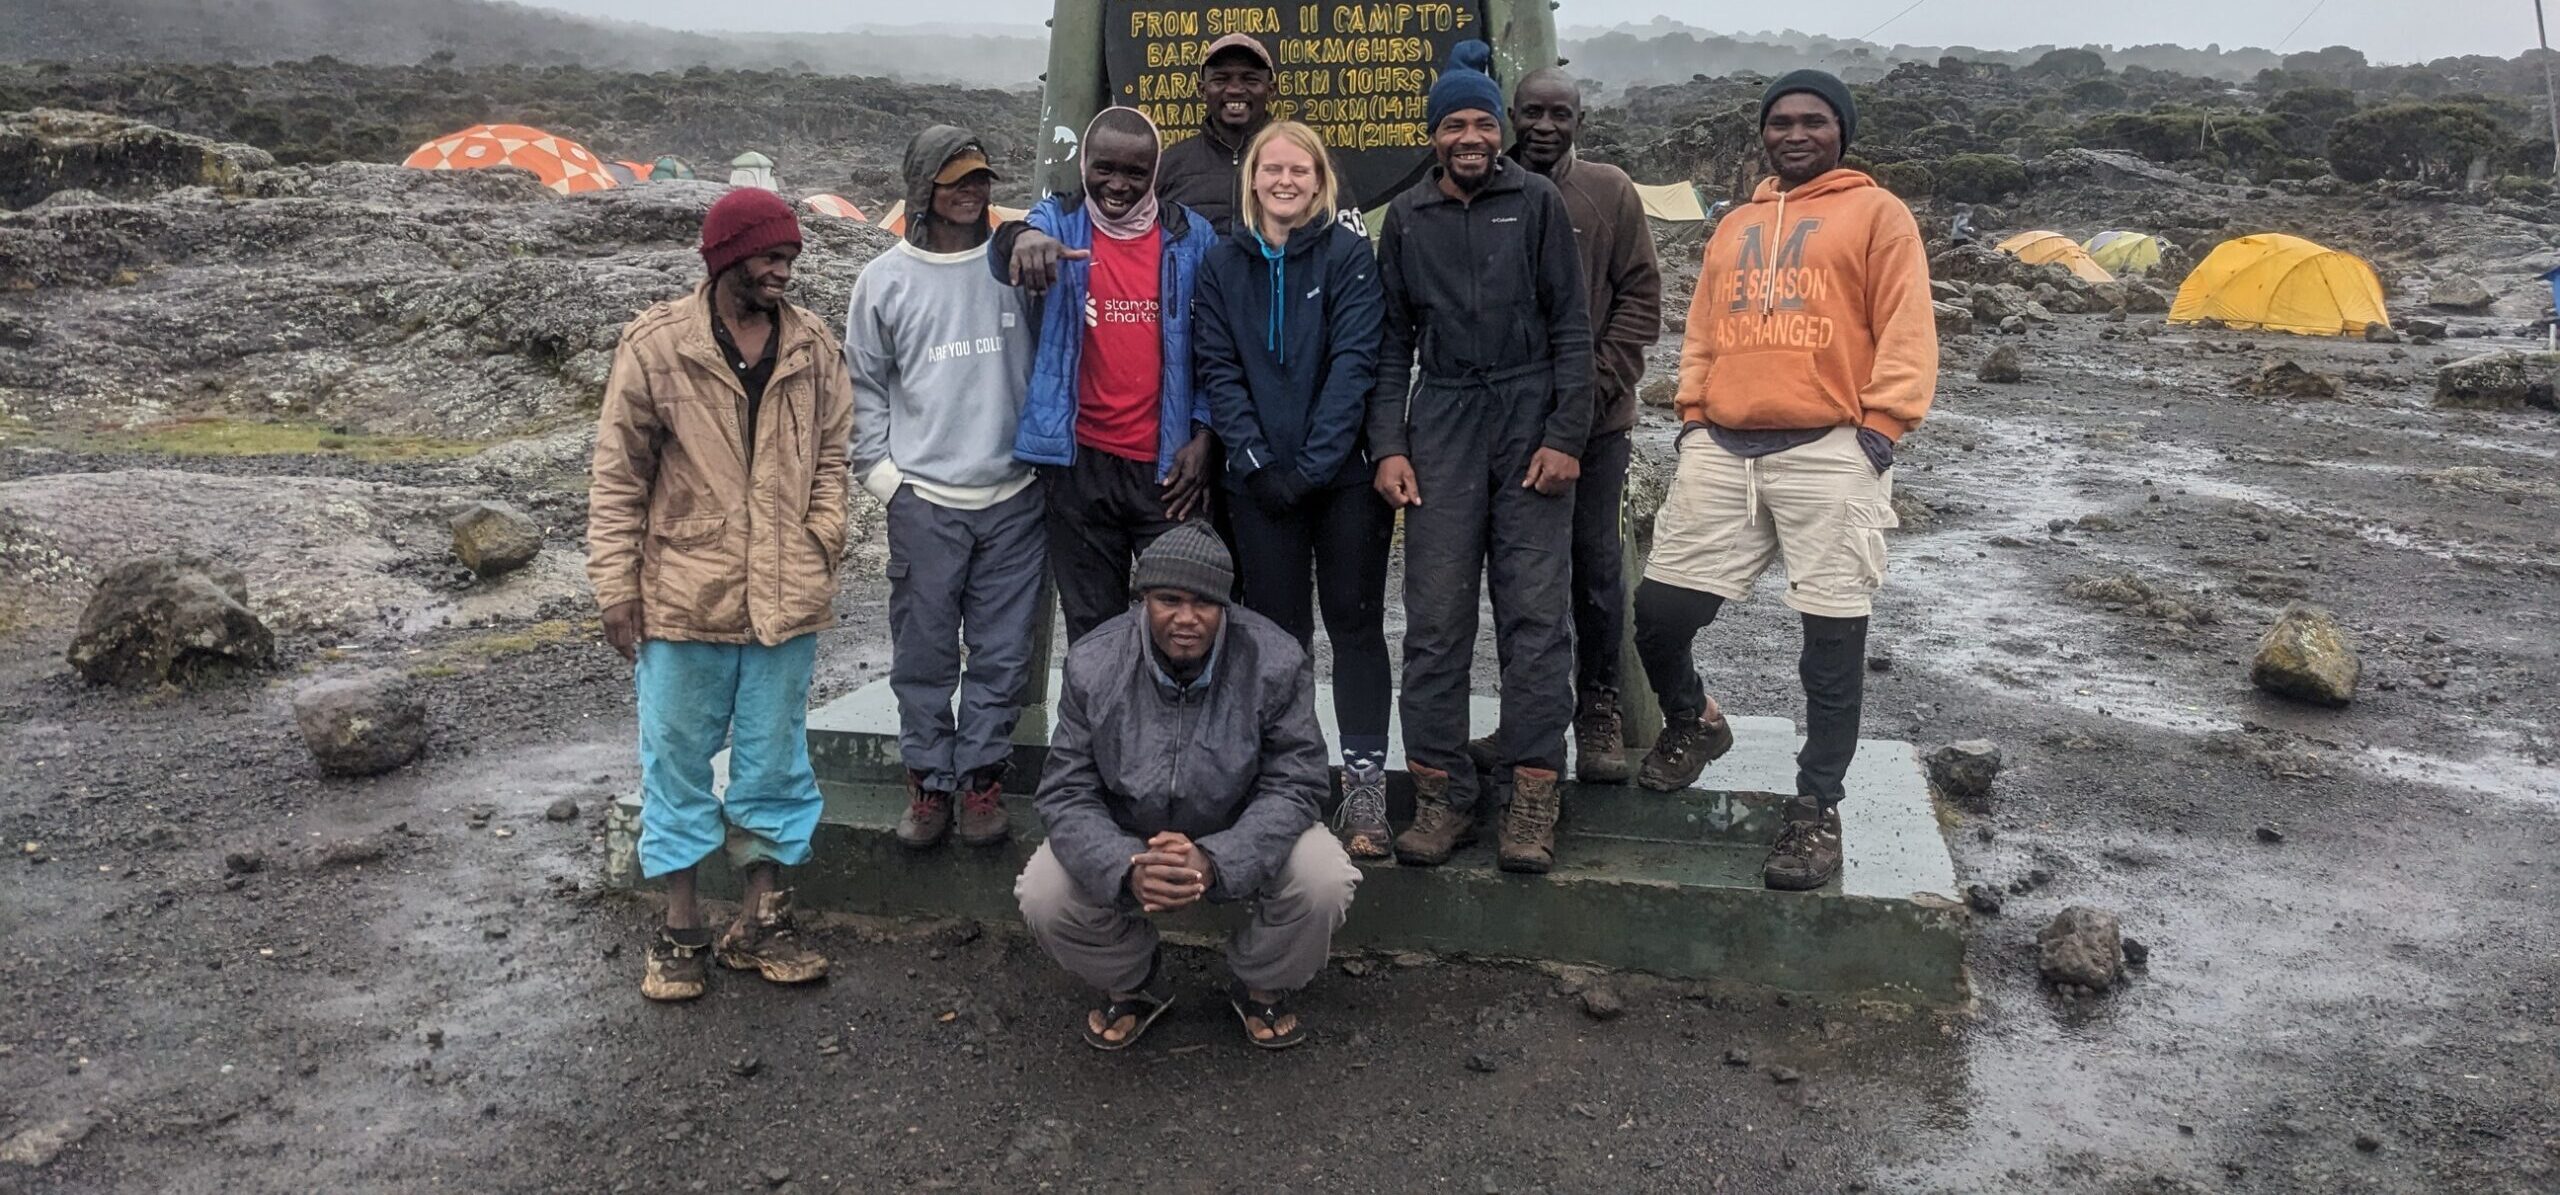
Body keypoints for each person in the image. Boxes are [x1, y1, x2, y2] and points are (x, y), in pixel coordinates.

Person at [1630, 70, 1938, 891]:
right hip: (1722, 448)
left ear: (1842, 132)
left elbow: (1908, 326)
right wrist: (1694, 414)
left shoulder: (1879, 214)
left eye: (1814, 121)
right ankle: (1695, 719)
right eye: (1780, 121)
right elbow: (1703, 328)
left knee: (1831, 643)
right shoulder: (1734, 224)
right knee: (1659, 612)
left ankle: (1816, 806)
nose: (1795, 133)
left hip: (1832, 446)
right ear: (1763, 133)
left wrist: (1881, 429)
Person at [589, 188, 851, 1001]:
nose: (784, 271)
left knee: (775, 761)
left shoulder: (812, 346)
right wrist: (615, 585)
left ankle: (762, 920)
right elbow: (618, 475)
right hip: (681, 594)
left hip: (785, 592)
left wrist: (821, 535)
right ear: (727, 257)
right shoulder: (656, 346)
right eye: (770, 257)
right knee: (675, 761)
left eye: (790, 258)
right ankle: (680, 928)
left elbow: (834, 453)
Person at [1367, 42, 1592, 875]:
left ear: (1501, 131)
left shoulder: (1536, 202)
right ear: (1433, 136)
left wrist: (1566, 436)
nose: (1470, 136)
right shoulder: (1407, 218)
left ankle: (1533, 792)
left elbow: (1572, 325)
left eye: (1483, 123)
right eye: (1454, 123)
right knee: (1434, 618)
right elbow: (1391, 343)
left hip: (1529, 413)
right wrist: (1389, 444)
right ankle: (1444, 793)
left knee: (1535, 616)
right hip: (1444, 418)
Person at [1014, 525, 1358, 1050]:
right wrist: (1126, 866)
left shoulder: (1275, 659)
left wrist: (1217, 859)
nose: (1186, 618)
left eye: (1204, 602)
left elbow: (1297, 782)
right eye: (1168, 600)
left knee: (1324, 876)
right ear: (1143, 599)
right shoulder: (1094, 663)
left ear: (1226, 606)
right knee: (1043, 891)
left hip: (1239, 828)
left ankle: (1262, 982)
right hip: (1129, 836)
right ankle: (1131, 980)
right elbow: (1066, 789)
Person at [1191, 121, 1396, 859]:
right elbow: (1218, 364)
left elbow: (1355, 361)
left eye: (1298, 170)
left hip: (1342, 481)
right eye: (1271, 169)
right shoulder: (1221, 262)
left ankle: (1364, 783)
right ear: (1252, 179)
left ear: (1319, 180)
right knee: (1276, 636)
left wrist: (1313, 464)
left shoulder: (1348, 255)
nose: (1284, 181)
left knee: (1355, 623)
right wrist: (1253, 460)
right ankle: (1290, 779)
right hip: (1257, 483)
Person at [846, 127, 1042, 852]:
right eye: (955, 180)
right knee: (923, 652)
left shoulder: (1016, 267)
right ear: (922, 186)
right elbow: (863, 384)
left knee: (1002, 654)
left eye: (980, 178)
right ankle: (929, 783)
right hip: (925, 501)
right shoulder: (883, 280)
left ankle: (981, 780)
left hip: (1016, 497)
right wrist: (883, 479)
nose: (971, 191)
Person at [991, 106, 1216, 643]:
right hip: (1079, 467)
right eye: (1104, 168)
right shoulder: (1058, 222)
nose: (1118, 185)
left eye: (1135, 172)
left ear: (1155, 172)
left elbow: (1217, 346)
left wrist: (1206, 433)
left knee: (1179, 630)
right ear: (1084, 165)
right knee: (1093, 632)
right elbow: (1006, 252)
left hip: (1168, 472)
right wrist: (1020, 238)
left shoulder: (1192, 235)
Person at [1506, 66, 1663, 785]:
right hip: (1507, 422)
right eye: (1532, 112)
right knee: (1520, 576)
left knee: (1596, 570)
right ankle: (1527, 715)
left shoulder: (1609, 191)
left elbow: (1640, 300)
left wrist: (1589, 395)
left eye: (1559, 114)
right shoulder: (1490, 189)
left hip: (1597, 425)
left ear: (1579, 121)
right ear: (1512, 114)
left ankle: (1598, 706)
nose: (1544, 126)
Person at [1153, 33, 1276, 237]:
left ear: (1270, 90)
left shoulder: (1302, 162)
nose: (1235, 89)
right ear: (1202, 90)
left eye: (1250, 80)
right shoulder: (1168, 167)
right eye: (1221, 80)